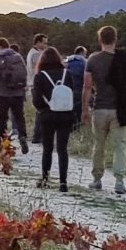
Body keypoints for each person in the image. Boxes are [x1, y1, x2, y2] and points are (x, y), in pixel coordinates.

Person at [84, 25, 126, 194]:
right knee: (120, 145)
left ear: (100, 40)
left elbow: (88, 86)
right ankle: (119, 181)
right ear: (115, 39)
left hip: (100, 108)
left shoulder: (93, 59)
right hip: (119, 109)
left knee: (99, 145)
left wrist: (85, 108)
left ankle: (97, 179)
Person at [31, 44, 77, 190]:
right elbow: (73, 93)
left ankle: (45, 178)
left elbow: (36, 98)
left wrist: (42, 109)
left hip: (48, 115)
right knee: (62, 149)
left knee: (48, 148)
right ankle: (63, 182)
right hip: (66, 114)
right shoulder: (66, 74)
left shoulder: (40, 76)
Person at [0, 36, 29, 153]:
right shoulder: (18, 56)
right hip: (18, 93)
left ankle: (4, 144)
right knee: (19, 116)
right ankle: (22, 136)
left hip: (4, 94)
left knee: (2, 119)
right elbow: (24, 73)